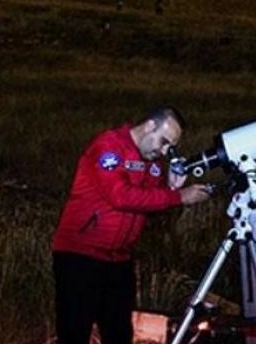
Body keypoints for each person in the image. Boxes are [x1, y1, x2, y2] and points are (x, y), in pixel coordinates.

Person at [51, 106, 212, 344]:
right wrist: (179, 197)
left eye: (170, 147)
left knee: (119, 334)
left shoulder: (153, 163)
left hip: (118, 261)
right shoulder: (109, 146)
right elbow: (120, 196)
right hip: (80, 256)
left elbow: (150, 207)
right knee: (75, 332)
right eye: (164, 141)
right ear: (149, 126)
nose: (164, 150)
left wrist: (170, 189)